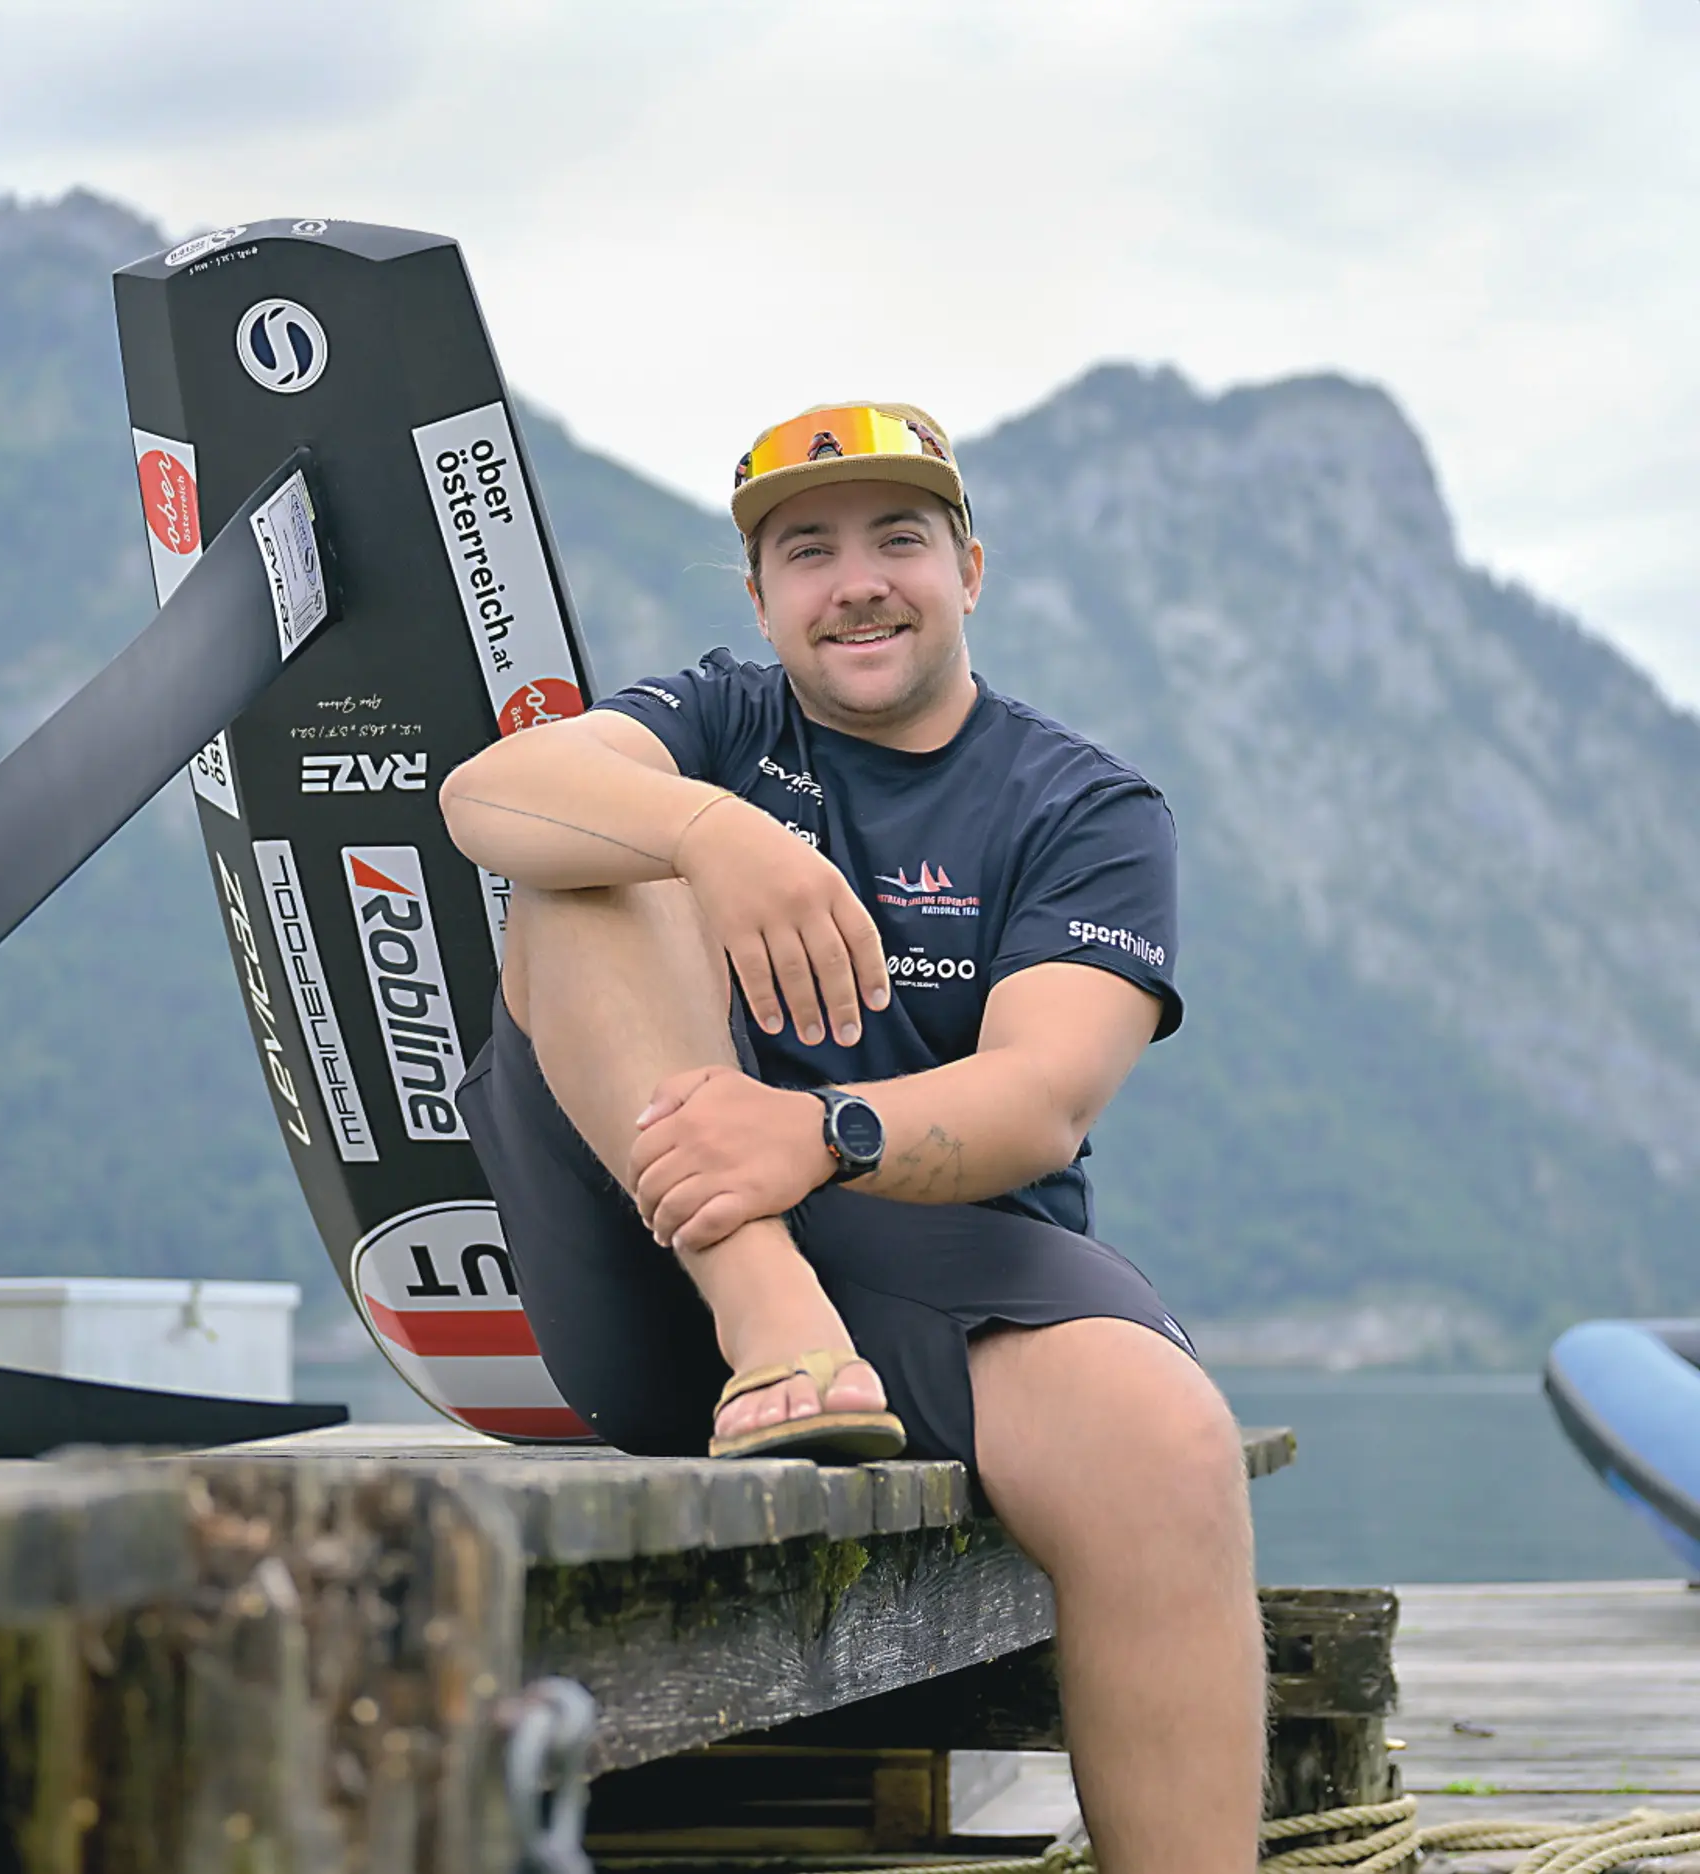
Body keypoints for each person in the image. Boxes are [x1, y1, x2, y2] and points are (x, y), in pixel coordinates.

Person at [439, 402, 1262, 1873]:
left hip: (926, 1256)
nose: (857, 579)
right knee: (583, 862)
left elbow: (1042, 1096)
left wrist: (819, 1131)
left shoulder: (1083, 804)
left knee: (1173, 1442)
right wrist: (710, 831)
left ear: (971, 568)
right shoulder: (720, 724)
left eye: (900, 539)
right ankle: (774, 1323)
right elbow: (484, 794)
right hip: (660, 1259)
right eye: (806, 551)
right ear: (760, 603)